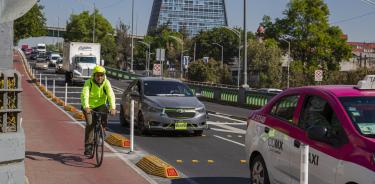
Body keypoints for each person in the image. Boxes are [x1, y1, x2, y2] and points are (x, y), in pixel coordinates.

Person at [81, 66, 116, 155]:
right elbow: (85, 95)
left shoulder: (106, 83)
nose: (100, 77)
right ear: (94, 75)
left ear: (104, 76)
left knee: (105, 111)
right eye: (98, 75)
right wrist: (86, 107)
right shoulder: (89, 83)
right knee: (90, 124)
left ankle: (102, 128)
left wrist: (113, 107)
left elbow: (111, 95)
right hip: (89, 106)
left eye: (102, 75)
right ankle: (88, 146)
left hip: (100, 105)